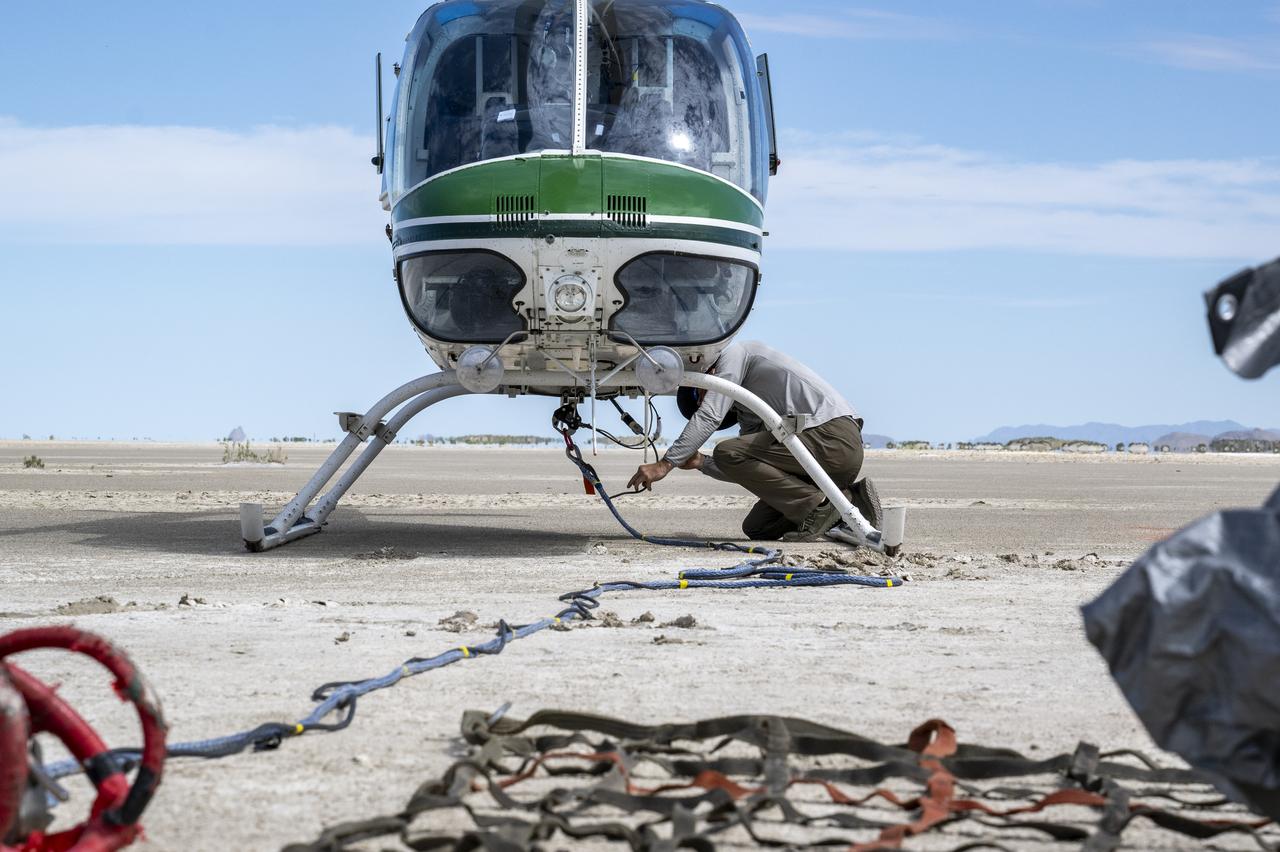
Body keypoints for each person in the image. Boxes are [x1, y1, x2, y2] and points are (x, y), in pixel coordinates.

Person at [627, 340, 881, 542]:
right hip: (824, 458)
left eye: (704, 395)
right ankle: (846, 500)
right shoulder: (748, 410)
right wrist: (701, 462)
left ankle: (820, 506)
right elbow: (743, 467)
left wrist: (665, 464)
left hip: (832, 438)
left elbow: (710, 416)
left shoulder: (736, 355)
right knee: (758, 527)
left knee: (727, 451)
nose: (709, 398)